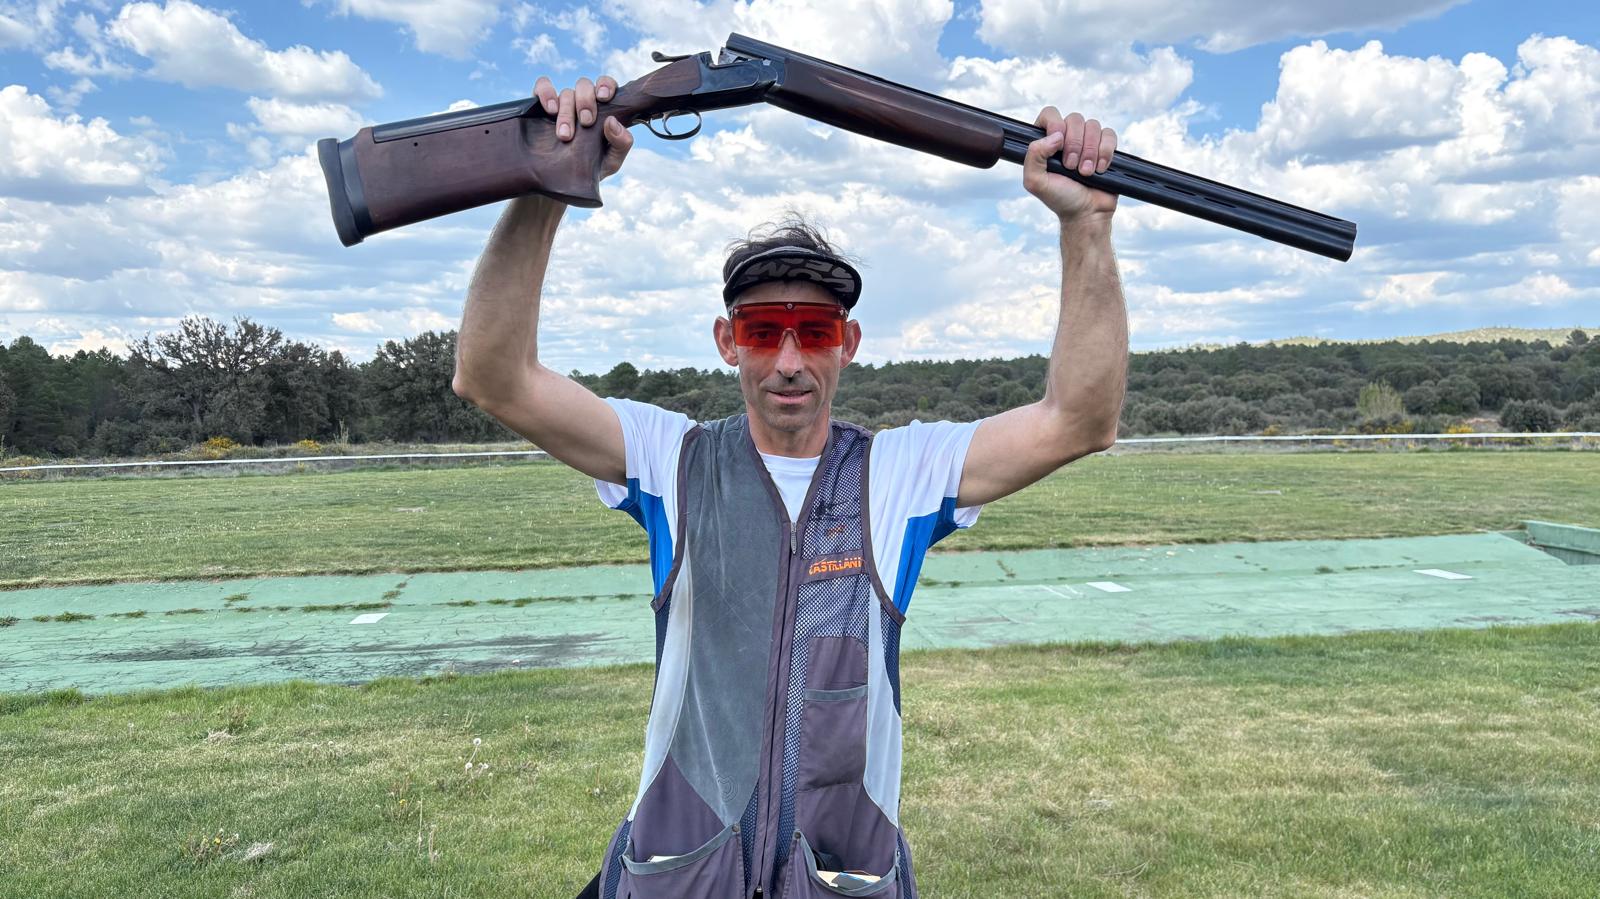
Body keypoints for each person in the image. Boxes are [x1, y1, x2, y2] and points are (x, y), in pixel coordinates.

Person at [452, 73, 1127, 899]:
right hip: (682, 875)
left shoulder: (897, 474)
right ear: (726, 342)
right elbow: (493, 376)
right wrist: (547, 184)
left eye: (813, 332)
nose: (789, 361)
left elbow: (1080, 419)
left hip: (838, 877)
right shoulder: (675, 458)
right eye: (762, 331)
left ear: (848, 342)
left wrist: (1085, 225)